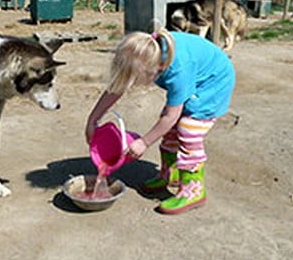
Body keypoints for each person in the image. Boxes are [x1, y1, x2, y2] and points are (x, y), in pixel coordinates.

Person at [85, 27, 236, 214]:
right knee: (170, 129)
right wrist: (93, 119)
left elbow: (170, 116)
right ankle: (170, 174)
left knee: (188, 129)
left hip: (213, 84)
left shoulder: (178, 69)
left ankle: (194, 190)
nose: (132, 84)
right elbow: (117, 87)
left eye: (135, 79)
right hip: (194, 77)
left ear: (156, 71)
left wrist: (144, 142)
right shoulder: (150, 54)